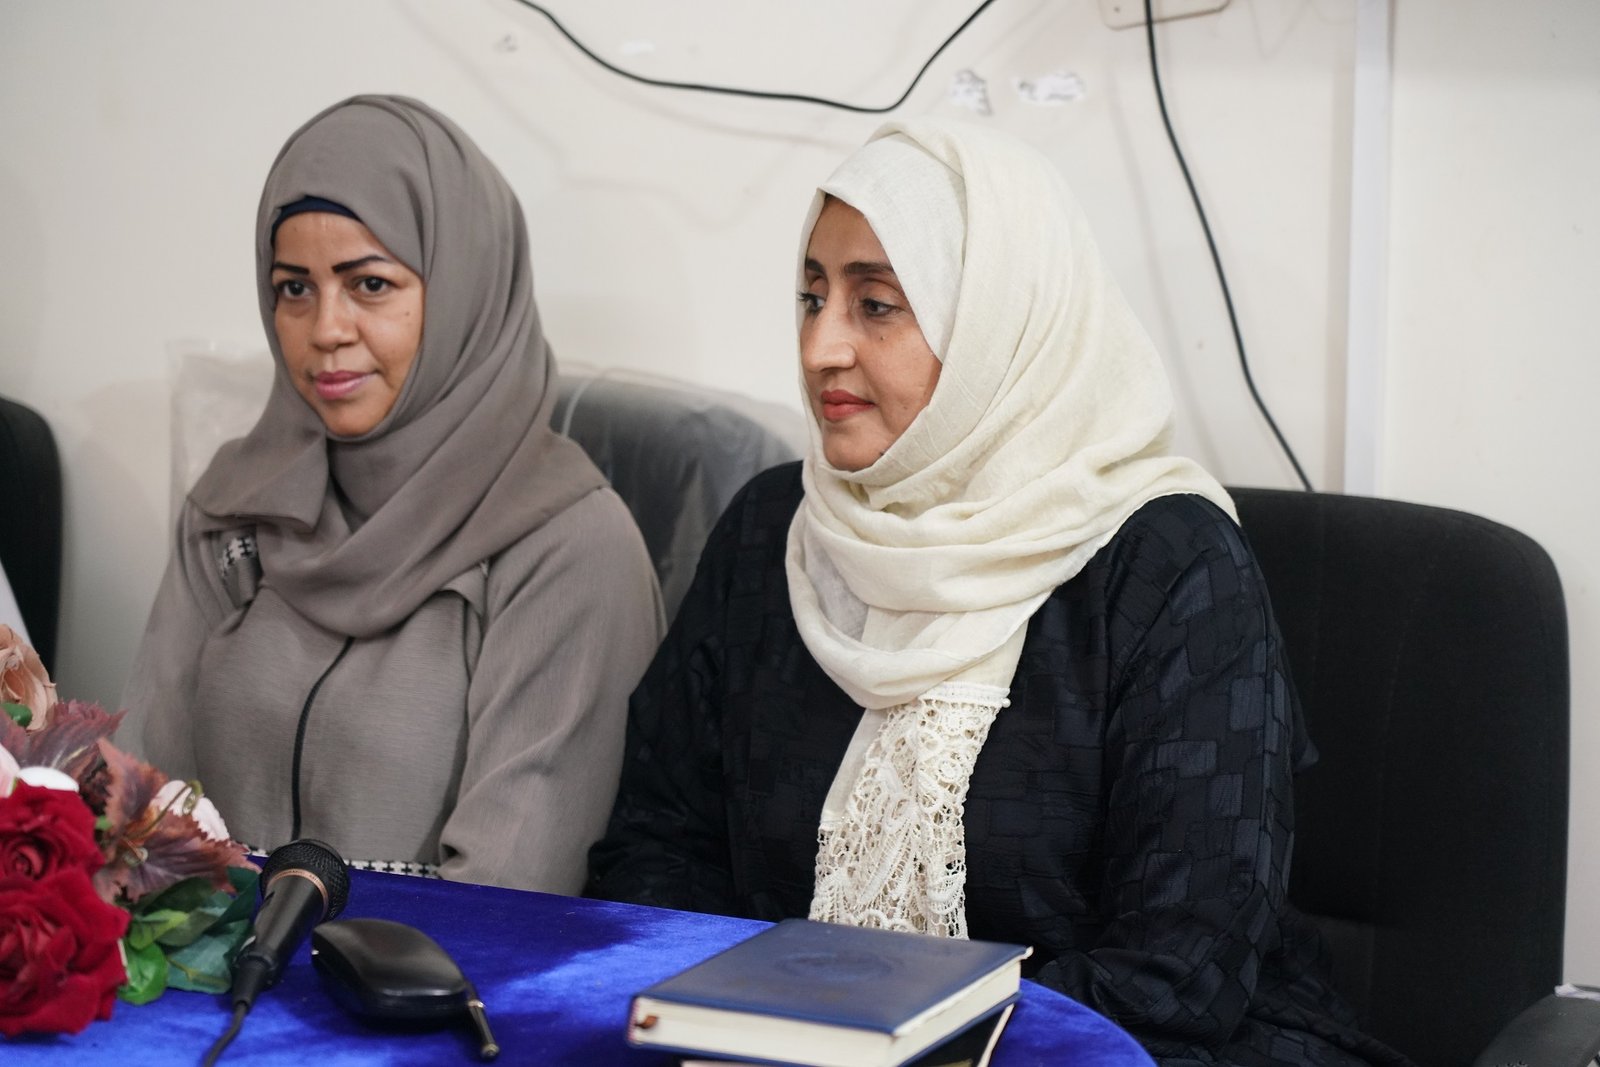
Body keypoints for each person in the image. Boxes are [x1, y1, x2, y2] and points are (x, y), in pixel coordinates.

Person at [588, 118, 1410, 1065]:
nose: (820, 347)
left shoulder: (1169, 564)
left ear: (998, 324)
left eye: (876, 304)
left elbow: (1180, 971)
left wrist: (900, 1043)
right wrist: (742, 1023)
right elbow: (653, 846)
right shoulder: (773, 531)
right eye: (812, 296)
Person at [124, 95, 664, 893]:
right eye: (294, 288)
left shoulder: (568, 546)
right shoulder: (234, 512)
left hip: (432, 970)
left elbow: (504, 897)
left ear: (462, 292)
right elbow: (139, 819)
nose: (325, 329)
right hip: (198, 967)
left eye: (370, 284)